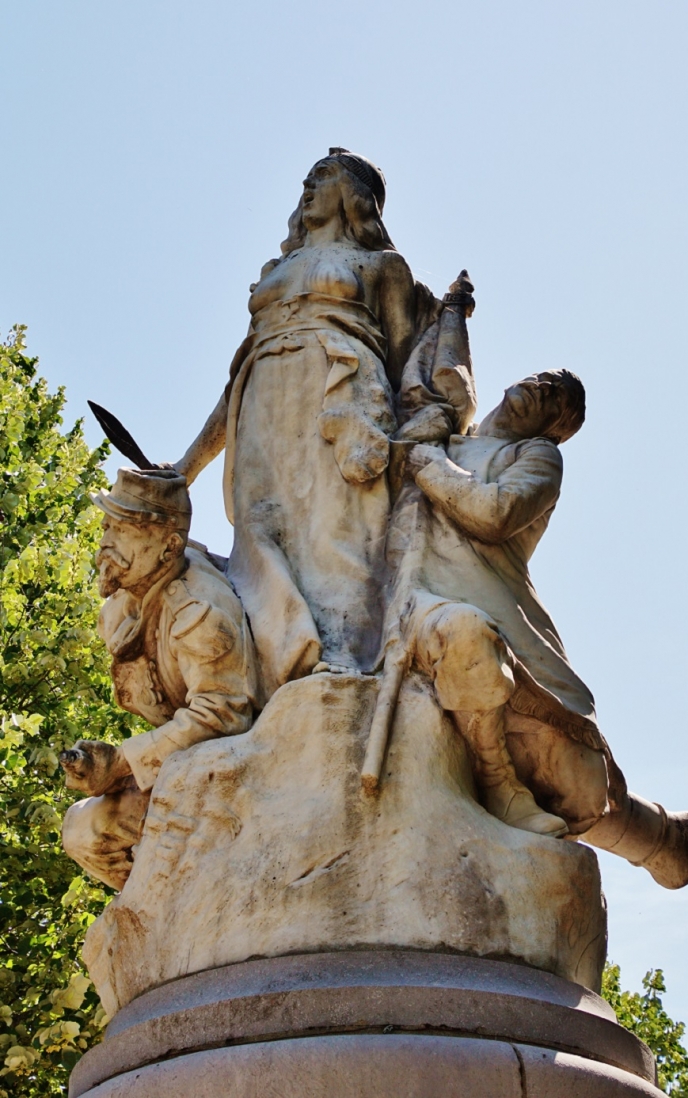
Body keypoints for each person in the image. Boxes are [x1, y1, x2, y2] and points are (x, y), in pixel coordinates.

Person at [170, 149, 463, 699]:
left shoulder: (381, 267)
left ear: (356, 195)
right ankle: (278, 669)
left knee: (336, 529)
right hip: (262, 396)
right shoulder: (274, 271)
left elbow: (405, 362)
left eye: (323, 177)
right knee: (259, 529)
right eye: (306, 179)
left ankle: (348, 658)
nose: (308, 186)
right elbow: (235, 378)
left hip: (343, 392)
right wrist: (186, 467)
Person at [398, 370, 688, 886]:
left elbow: (495, 513)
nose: (542, 386)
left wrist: (430, 465)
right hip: (414, 605)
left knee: (576, 783)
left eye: (556, 397)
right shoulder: (442, 430)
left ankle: (656, 838)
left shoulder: (535, 458)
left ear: (554, 428)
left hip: (492, 613)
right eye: (543, 379)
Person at [60, 468, 257, 890]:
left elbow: (224, 714)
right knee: (82, 829)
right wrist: (109, 765)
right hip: (183, 764)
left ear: (169, 546)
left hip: (235, 768)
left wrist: (126, 762)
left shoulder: (197, 611)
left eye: (126, 528)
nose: (107, 540)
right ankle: (159, 913)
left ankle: (177, 907)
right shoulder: (120, 606)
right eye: (108, 524)